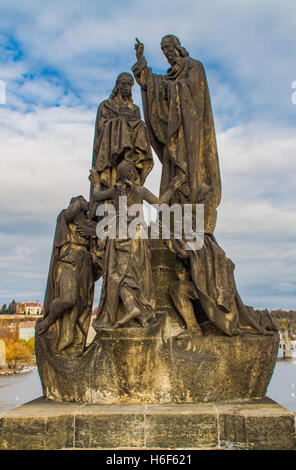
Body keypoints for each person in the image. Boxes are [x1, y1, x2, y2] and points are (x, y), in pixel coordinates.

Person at [132, 35, 221, 233]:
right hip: (173, 136)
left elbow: (194, 94)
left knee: (188, 173)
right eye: (163, 50)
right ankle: (170, 213)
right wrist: (141, 61)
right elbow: (152, 84)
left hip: (189, 132)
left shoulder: (194, 66)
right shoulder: (170, 74)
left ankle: (187, 207)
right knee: (171, 172)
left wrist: (172, 88)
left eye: (168, 48)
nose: (167, 53)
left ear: (177, 47)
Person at [90, 160, 182, 329]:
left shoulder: (115, 191)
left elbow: (96, 196)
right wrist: (171, 189)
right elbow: (161, 204)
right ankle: (133, 307)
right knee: (131, 275)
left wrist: (95, 181)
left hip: (118, 235)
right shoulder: (140, 191)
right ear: (132, 174)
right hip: (136, 236)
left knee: (117, 275)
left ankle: (131, 307)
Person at [36, 196, 97, 356]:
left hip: (84, 266)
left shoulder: (90, 224)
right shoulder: (65, 218)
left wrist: (94, 230)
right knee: (68, 299)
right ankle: (48, 321)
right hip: (67, 264)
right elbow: (73, 210)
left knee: (81, 305)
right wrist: (81, 203)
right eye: (82, 201)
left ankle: (68, 340)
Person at [91, 72, 153, 194]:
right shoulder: (106, 106)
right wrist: (119, 124)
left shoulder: (134, 109)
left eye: (130, 85)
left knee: (141, 125)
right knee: (121, 122)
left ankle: (134, 157)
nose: (127, 88)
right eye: (124, 84)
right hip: (110, 152)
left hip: (129, 161)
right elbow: (101, 129)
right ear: (118, 85)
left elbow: (137, 127)